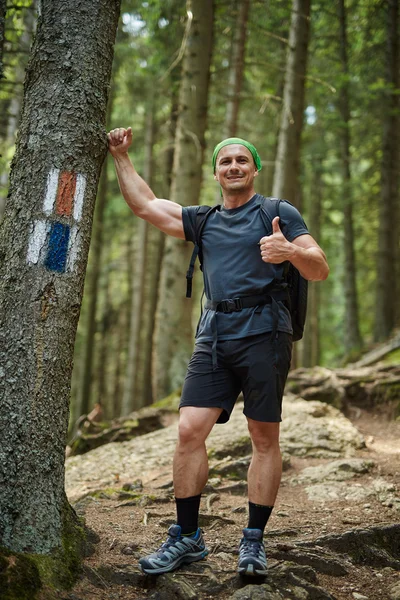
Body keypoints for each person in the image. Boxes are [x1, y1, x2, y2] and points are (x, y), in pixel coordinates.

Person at [108, 128, 329, 577]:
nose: (233, 167)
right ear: (215, 171)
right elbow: (145, 205)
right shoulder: (203, 219)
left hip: (266, 333)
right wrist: (120, 156)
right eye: (225, 161)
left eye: (241, 161)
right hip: (213, 334)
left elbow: (319, 266)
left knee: (263, 437)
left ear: (254, 169)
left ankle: (253, 542)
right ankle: (187, 537)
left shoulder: (277, 212)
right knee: (189, 429)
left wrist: (289, 250)